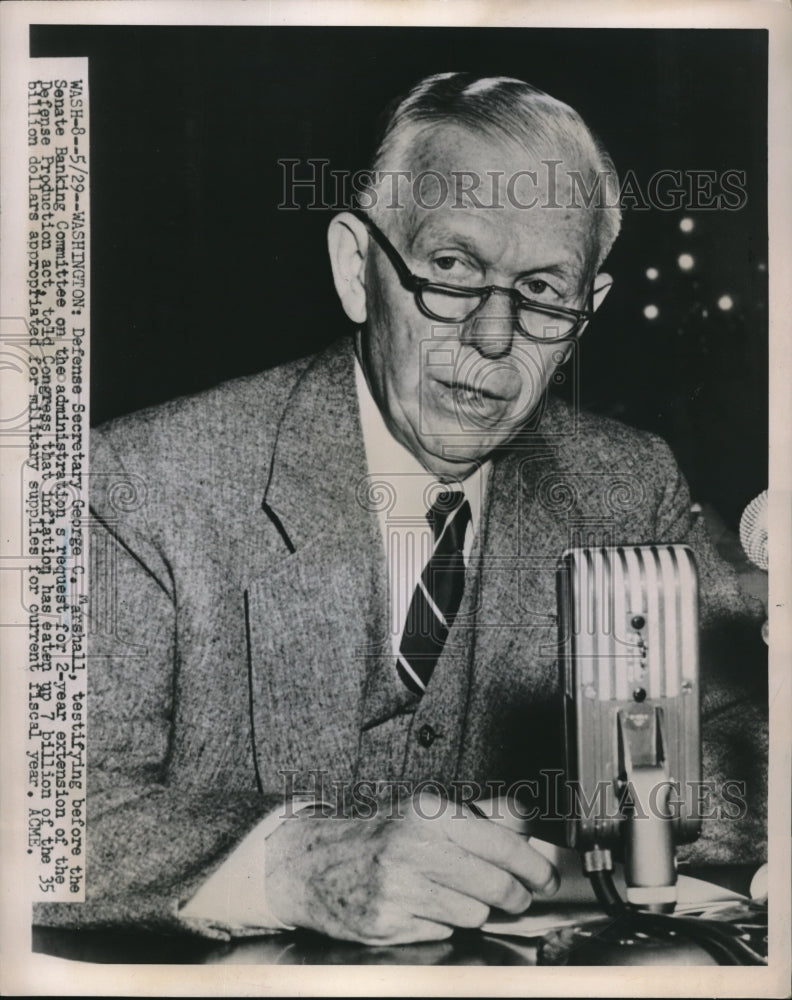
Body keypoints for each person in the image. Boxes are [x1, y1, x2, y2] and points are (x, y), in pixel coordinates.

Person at [35, 73, 766, 946]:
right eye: (453, 268)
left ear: (586, 313)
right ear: (357, 269)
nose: (494, 336)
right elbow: (37, 816)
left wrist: (544, 836)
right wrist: (292, 865)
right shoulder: (135, 483)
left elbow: (756, 756)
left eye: (542, 290)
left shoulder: (624, 483)